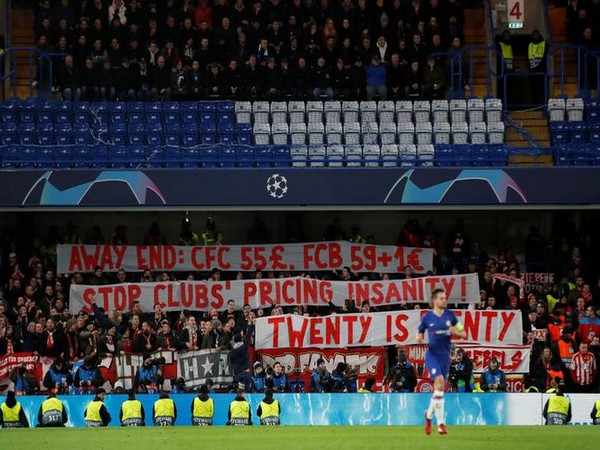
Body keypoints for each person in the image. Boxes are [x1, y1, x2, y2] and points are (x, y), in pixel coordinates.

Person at [417, 288, 467, 435]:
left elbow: (463, 333)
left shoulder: (451, 316)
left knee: (439, 390)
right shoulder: (427, 318)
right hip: (432, 355)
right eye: (441, 298)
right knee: (438, 382)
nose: (444, 300)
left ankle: (428, 416)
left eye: (445, 298)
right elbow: (420, 332)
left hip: (445, 357)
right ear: (434, 301)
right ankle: (441, 424)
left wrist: (455, 331)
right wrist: (419, 338)